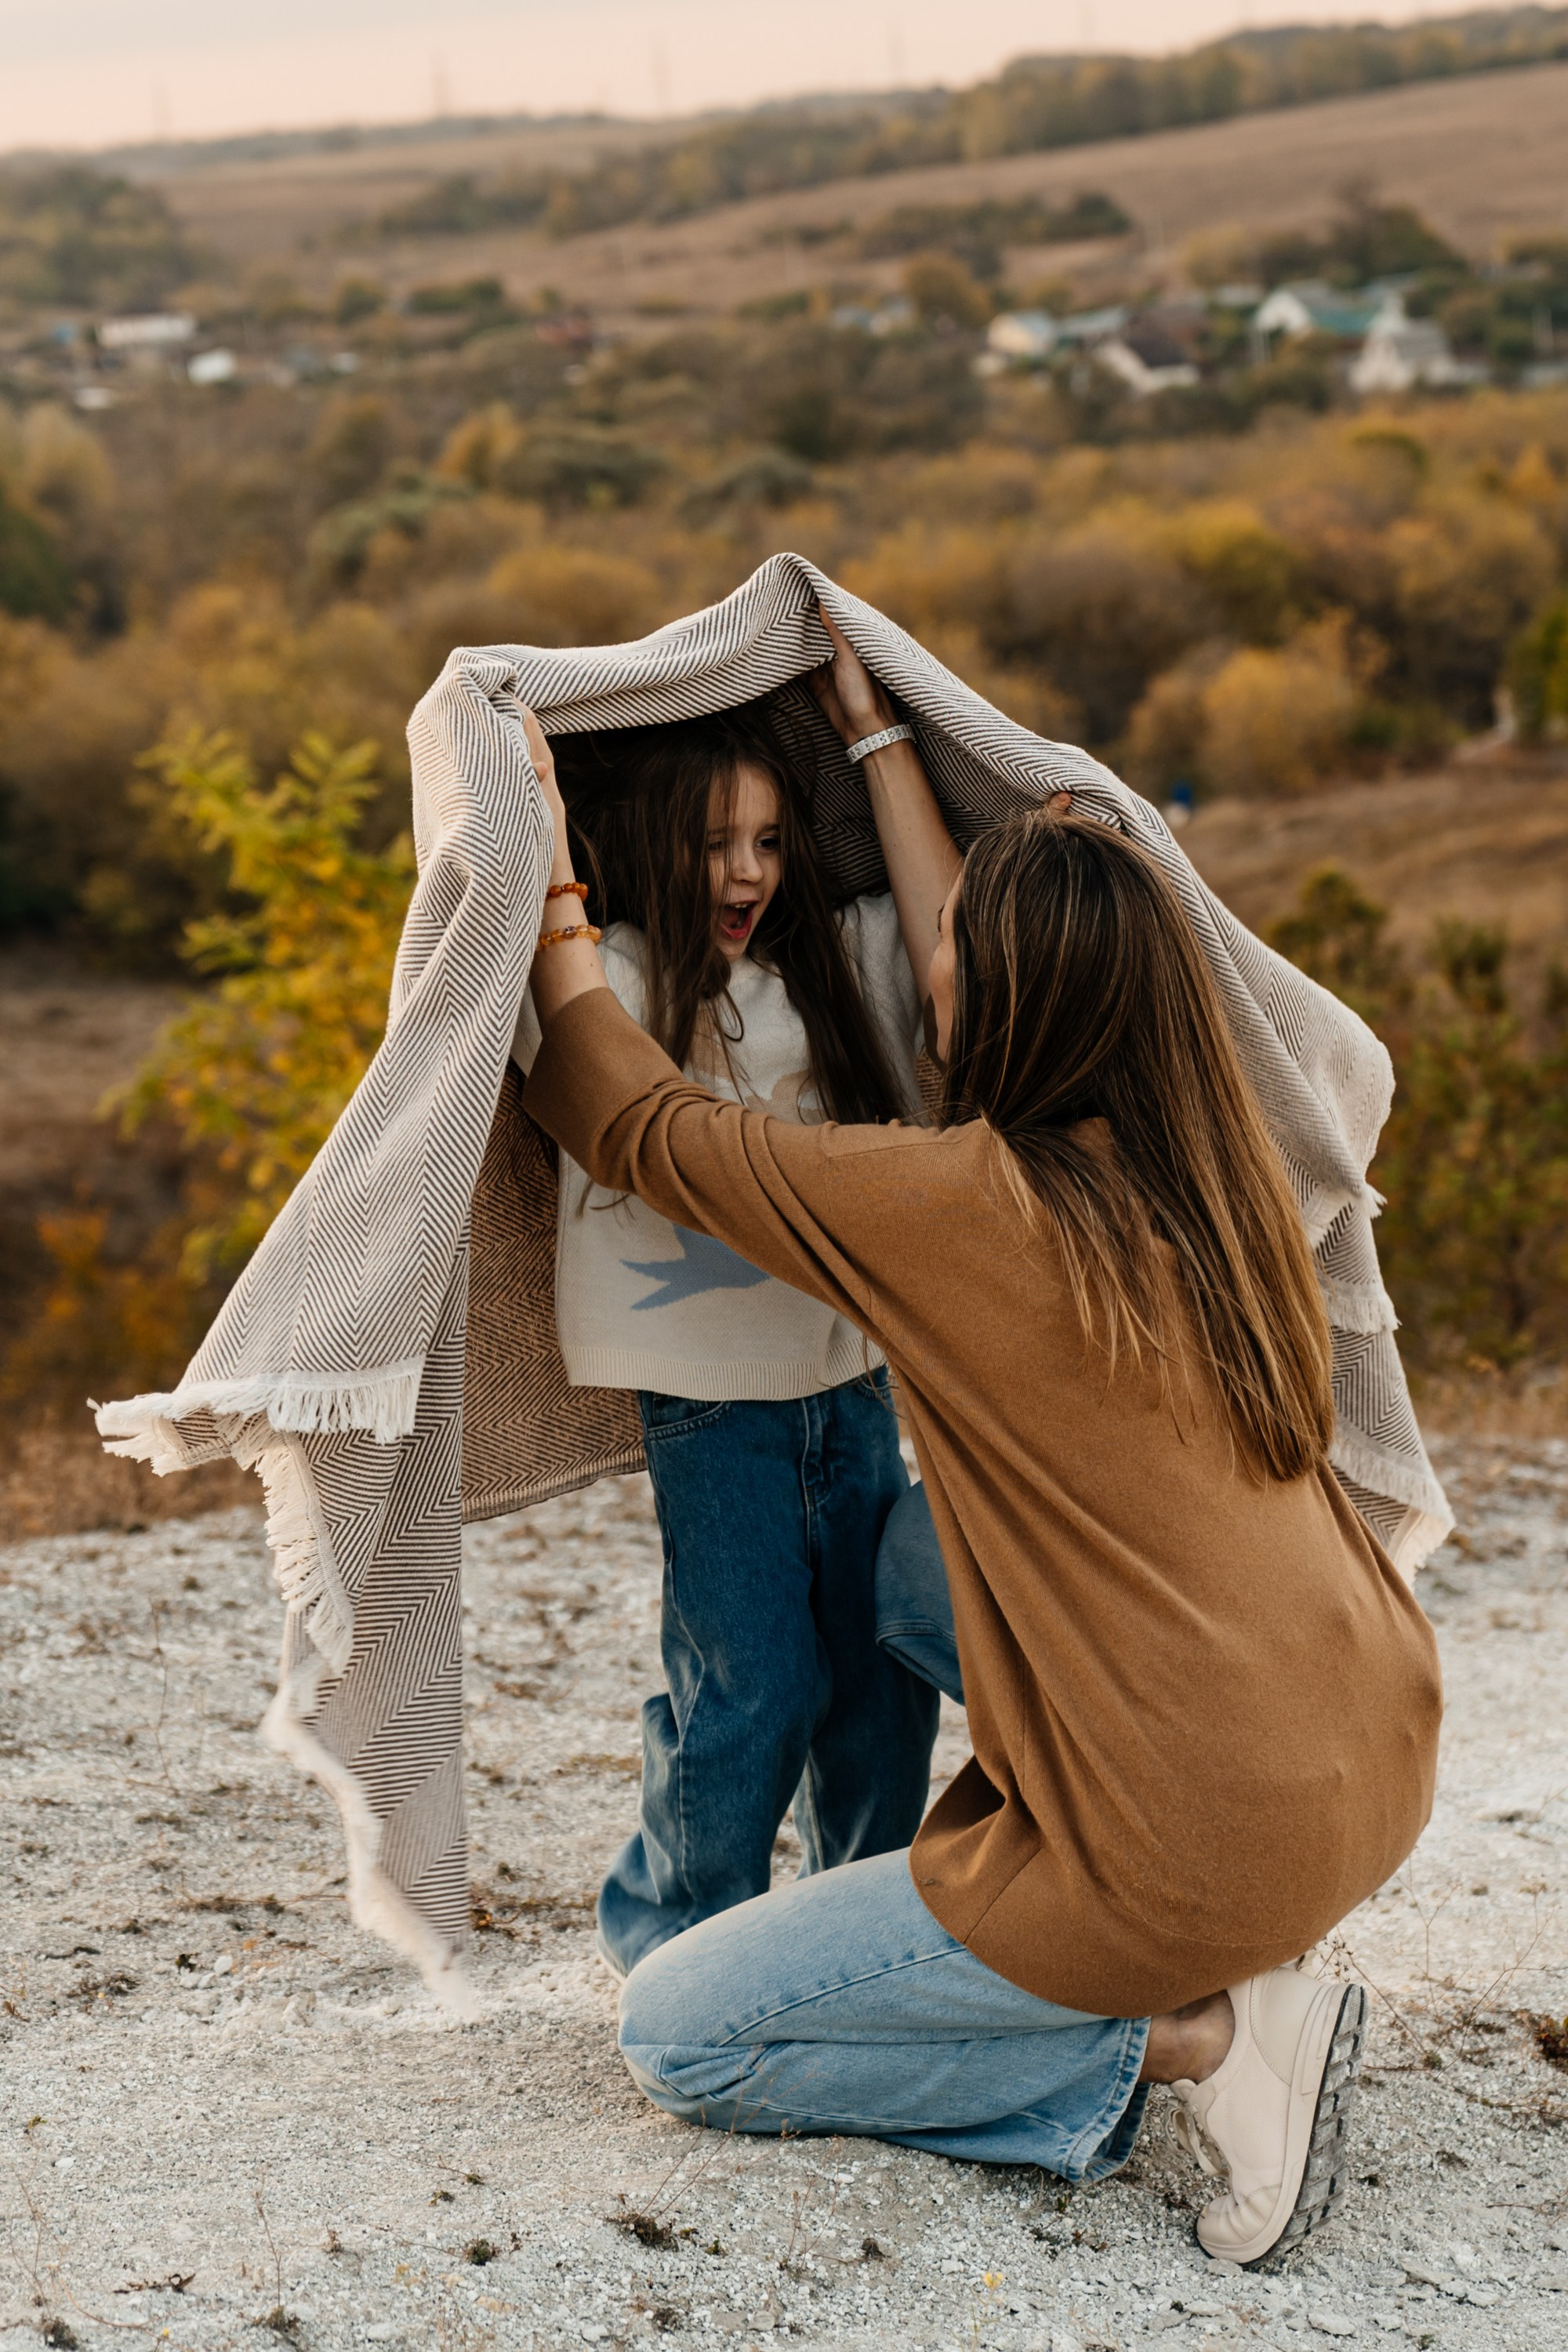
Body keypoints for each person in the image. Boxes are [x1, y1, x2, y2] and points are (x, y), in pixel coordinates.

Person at [513, 669, 1443, 2267]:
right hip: (1370, 1763)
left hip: (1198, 1855)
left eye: (959, 954)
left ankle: (1204, 2041)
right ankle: (1238, 1937)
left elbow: (630, 1113)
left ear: (994, 1006)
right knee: (897, 1566)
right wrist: (878, 733)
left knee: (681, 2033)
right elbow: (980, 945)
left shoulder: (959, 1211)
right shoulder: (1215, 1175)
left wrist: (540, 881)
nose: (929, 957)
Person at [510, 625, 971, 1977]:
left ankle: (862, 1944)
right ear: (659, 839)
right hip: (712, 1413)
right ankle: (680, 1947)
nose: (749, 872)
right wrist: (531, 781)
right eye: (718, 841)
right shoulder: (628, 988)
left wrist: (874, 730)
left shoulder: (838, 975)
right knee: (750, 1691)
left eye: (771, 841)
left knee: (882, 1699)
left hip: (851, 1384)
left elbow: (949, 932)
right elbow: (543, 941)